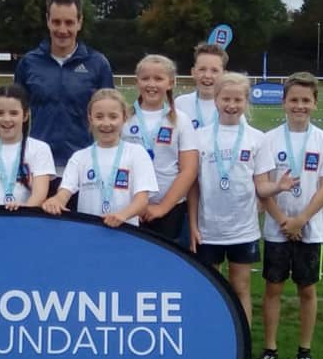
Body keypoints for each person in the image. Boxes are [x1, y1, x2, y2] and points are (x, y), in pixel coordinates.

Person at [187, 72, 298, 359]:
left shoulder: (257, 139)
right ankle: (210, 349)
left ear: (246, 102)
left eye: (238, 99)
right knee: (210, 290)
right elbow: (193, 187)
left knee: (241, 290)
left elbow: (260, 187)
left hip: (244, 230)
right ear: (217, 100)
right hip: (208, 230)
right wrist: (193, 224)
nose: (231, 105)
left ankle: (242, 354)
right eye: (226, 98)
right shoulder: (200, 136)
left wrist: (278, 187)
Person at [255, 72, 323, 359]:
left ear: (315, 104)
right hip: (276, 229)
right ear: (284, 103)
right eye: (294, 100)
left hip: (310, 229)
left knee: (307, 290)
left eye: (306, 100)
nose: (299, 106)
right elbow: (263, 187)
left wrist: (301, 220)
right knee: (273, 289)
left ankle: (304, 351)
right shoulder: (269, 139)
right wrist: (283, 221)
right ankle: (270, 349)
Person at [14, 0, 114, 175]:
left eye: (69, 22)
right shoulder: (28, 63)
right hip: (39, 165)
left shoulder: (98, 63)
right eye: (56, 22)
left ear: (80, 22)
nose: (62, 30)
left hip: (86, 164)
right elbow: (17, 113)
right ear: (47, 20)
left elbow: (111, 116)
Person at [43, 89, 157, 227]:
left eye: (113, 117)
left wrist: (122, 215)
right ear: (90, 119)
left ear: (124, 118)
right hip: (89, 236)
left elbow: (142, 200)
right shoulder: (80, 157)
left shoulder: (137, 153)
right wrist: (56, 201)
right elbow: (64, 192)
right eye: (99, 117)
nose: (106, 123)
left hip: (126, 235)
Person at [121, 54, 198, 240]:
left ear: (170, 83)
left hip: (169, 208)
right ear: (137, 81)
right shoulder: (123, 118)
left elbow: (189, 170)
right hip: (128, 205)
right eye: (145, 78)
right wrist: (133, 205)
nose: (151, 84)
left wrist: (163, 207)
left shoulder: (181, 120)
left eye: (158, 78)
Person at [0, 84, 56, 212]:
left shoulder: (40, 149)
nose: (6, 119)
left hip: (25, 219)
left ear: (25, 116)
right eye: (0, 113)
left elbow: (39, 193)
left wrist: (25, 211)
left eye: (14, 113)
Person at [175, 43, 228, 129]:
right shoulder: (180, 103)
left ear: (224, 75)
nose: (207, 75)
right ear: (193, 72)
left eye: (214, 70)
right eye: (202, 69)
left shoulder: (230, 106)